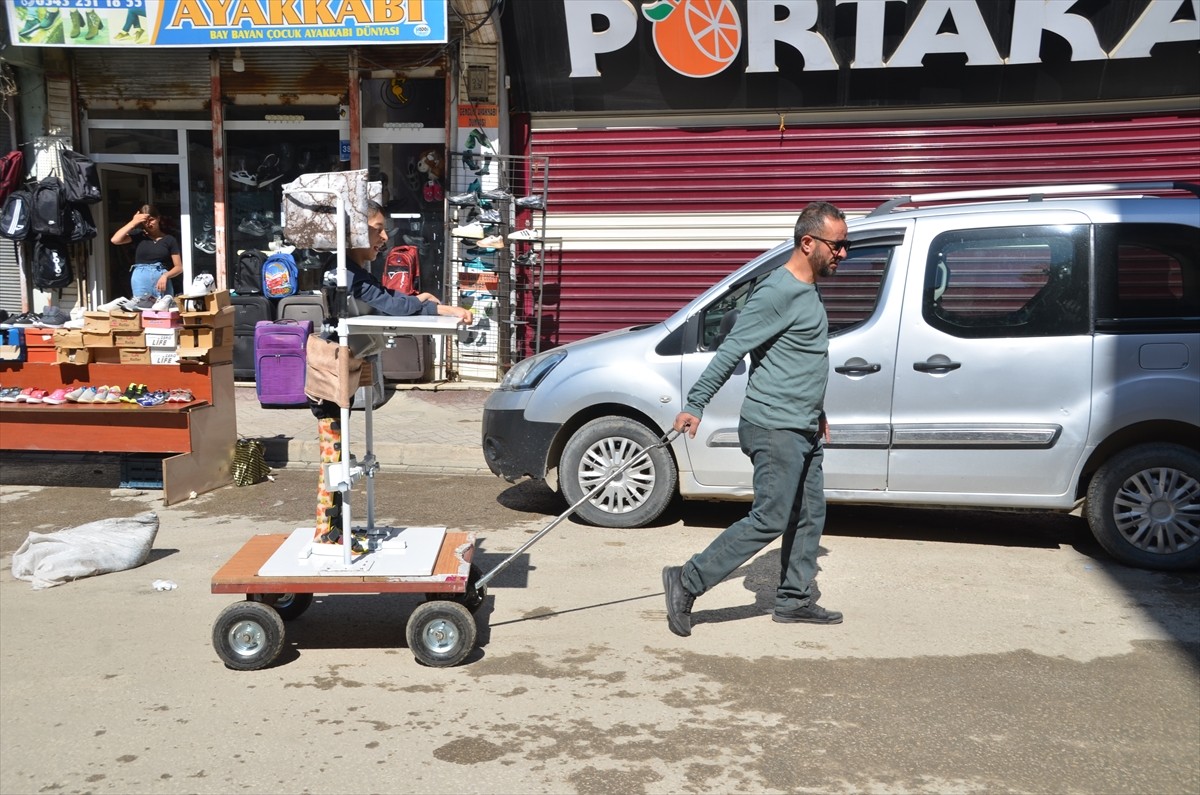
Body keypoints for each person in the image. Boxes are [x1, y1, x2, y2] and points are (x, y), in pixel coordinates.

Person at [662, 201, 848, 637]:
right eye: (838, 246)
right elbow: (731, 349)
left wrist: (816, 412)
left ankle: (794, 599)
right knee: (771, 516)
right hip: (773, 427)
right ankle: (686, 580)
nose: (843, 254)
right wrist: (696, 403)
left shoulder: (807, 289)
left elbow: (796, 360)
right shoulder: (776, 292)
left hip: (801, 425)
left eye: (845, 245)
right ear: (808, 243)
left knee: (808, 514)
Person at [311, 200, 472, 547]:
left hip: (344, 369)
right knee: (333, 454)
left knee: (339, 453)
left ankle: (334, 527)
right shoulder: (344, 271)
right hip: (331, 375)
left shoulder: (351, 269)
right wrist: (435, 307)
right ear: (354, 231)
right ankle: (327, 532)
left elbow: (385, 297)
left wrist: (418, 302)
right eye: (376, 229)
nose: (384, 236)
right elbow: (391, 304)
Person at [110, 204, 182, 300]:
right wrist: (133, 222)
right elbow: (115, 240)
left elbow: (179, 267)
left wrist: (166, 275)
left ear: (158, 218)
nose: (149, 224)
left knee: (164, 311)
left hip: (161, 280)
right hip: (141, 280)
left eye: (151, 220)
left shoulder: (169, 239)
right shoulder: (139, 235)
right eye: (145, 222)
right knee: (141, 309)